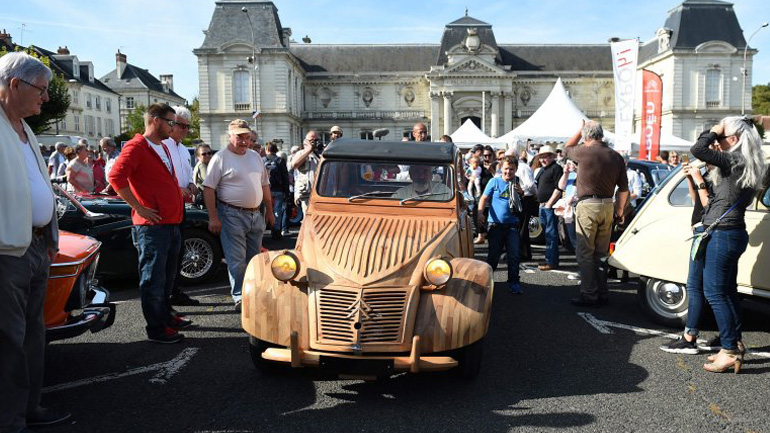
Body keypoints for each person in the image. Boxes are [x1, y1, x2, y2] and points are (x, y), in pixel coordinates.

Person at [0, 51, 72, 431]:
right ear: (14, 85)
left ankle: (30, 408)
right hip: (6, 251)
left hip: (35, 245)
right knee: (8, 341)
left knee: (32, 335)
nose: (45, 98)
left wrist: (48, 235)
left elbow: (37, 186)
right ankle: (9, 420)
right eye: (41, 90)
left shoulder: (24, 129)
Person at [109, 103, 191, 344]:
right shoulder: (137, 146)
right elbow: (115, 177)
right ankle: (156, 327)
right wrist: (139, 207)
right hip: (152, 226)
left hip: (169, 222)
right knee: (153, 279)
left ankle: (165, 316)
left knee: (167, 276)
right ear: (156, 120)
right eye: (171, 122)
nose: (174, 127)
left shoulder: (161, 146)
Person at [689, 116, 766, 373]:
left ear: (733, 140)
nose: (716, 143)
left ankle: (730, 350)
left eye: (721, 138)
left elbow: (698, 149)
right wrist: (719, 132)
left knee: (715, 293)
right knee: (728, 292)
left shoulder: (735, 160)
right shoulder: (745, 162)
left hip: (723, 234)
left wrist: (714, 129)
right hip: (731, 232)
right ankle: (734, 343)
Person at [203, 119, 274, 311]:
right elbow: (208, 188)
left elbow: (264, 184)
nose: (244, 141)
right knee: (237, 260)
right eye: (239, 137)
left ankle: (253, 292)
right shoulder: (220, 157)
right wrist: (213, 217)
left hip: (255, 214)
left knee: (255, 259)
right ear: (230, 136)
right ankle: (240, 296)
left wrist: (270, 210)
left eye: (247, 138)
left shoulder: (255, 156)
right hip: (231, 213)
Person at [563, 121, 628, 306]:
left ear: (587, 136)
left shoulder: (584, 151)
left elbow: (566, 147)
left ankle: (589, 294)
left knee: (585, 253)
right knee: (601, 253)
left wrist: (578, 129)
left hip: (588, 205)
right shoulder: (616, 156)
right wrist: (620, 211)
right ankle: (602, 292)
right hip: (608, 204)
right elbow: (624, 189)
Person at [659, 159, 716, 354]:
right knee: (712, 288)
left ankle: (690, 337)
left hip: (705, 231)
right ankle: (727, 338)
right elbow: (696, 202)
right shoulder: (711, 173)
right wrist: (690, 180)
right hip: (701, 229)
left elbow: (709, 207)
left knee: (695, 285)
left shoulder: (718, 175)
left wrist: (698, 178)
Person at [163, 105, 200, 307]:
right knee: (168, 255)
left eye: (187, 126)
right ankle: (167, 296)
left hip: (180, 206)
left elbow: (186, 173)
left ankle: (174, 291)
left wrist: (191, 183)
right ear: (171, 124)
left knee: (177, 252)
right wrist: (178, 188)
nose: (185, 130)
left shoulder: (184, 149)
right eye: (181, 126)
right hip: (166, 207)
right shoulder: (163, 145)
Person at [477, 156, 524, 294]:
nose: (508, 172)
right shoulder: (494, 181)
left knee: (514, 255)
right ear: (501, 169)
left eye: (511, 169)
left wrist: (521, 193)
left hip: (512, 226)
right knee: (493, 256)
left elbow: (520, 201)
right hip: (495, 225)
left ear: (516, 170)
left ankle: (514, 282)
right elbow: (484, 198)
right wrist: (480, 213)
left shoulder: (517, 182)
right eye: (506, 169)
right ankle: (486, 282)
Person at [534, 145, 563, 271]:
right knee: (547, 234)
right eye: (541, 157)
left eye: (545, 157)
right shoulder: (542, 170)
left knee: (551, 234)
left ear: (552, 156)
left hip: (550, 206)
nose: (542, 160)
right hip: (543, 206)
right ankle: (549, 260)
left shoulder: (556, 168)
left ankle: (551, 261)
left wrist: (549, 203)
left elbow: (559, 187)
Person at [291, 130, 322, 215]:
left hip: (321, 194)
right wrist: (308, 150)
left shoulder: (321, 155)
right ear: (306, 141)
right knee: (309, 219)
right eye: (312, 140)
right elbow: (294, 164)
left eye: (316, 140)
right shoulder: (301, 153)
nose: (314, 143)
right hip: (307, 195)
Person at [264, 141, 290, 238]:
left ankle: (264, 229)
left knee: (265, 210)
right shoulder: (280, 160)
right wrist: (286, 191)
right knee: (277, 210)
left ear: (267, 149)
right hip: (279, 189)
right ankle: (276, 229)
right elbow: (285, 177)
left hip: (266, 189)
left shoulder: (263, 160)